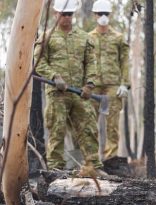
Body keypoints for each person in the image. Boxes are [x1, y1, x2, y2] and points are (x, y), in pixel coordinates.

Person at [34, 0, 102, 170]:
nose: (66, 18)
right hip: (57, 94)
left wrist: (89, 84)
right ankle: (56, 169)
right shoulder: (46, 37)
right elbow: (39, 62)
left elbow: (91, 62)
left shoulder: (83, 37)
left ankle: (93, 166)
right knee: (57, 131)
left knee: (89, 128)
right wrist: (54, 76)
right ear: (55, 14)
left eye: (69, 14)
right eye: (63, 14)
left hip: (79, 93)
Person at [88, 0, 130, 161]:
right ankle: (91, 159)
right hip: (93, 85)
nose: (103, 17)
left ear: (110, 15)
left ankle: (111, 159)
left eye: (106, 14)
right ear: (95, 15)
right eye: (100, 14)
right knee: (90, 123)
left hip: (113, 85)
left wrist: (125, 84)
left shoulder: (118, 38)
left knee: (112, 124)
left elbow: (125, 62)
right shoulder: (88, 38)